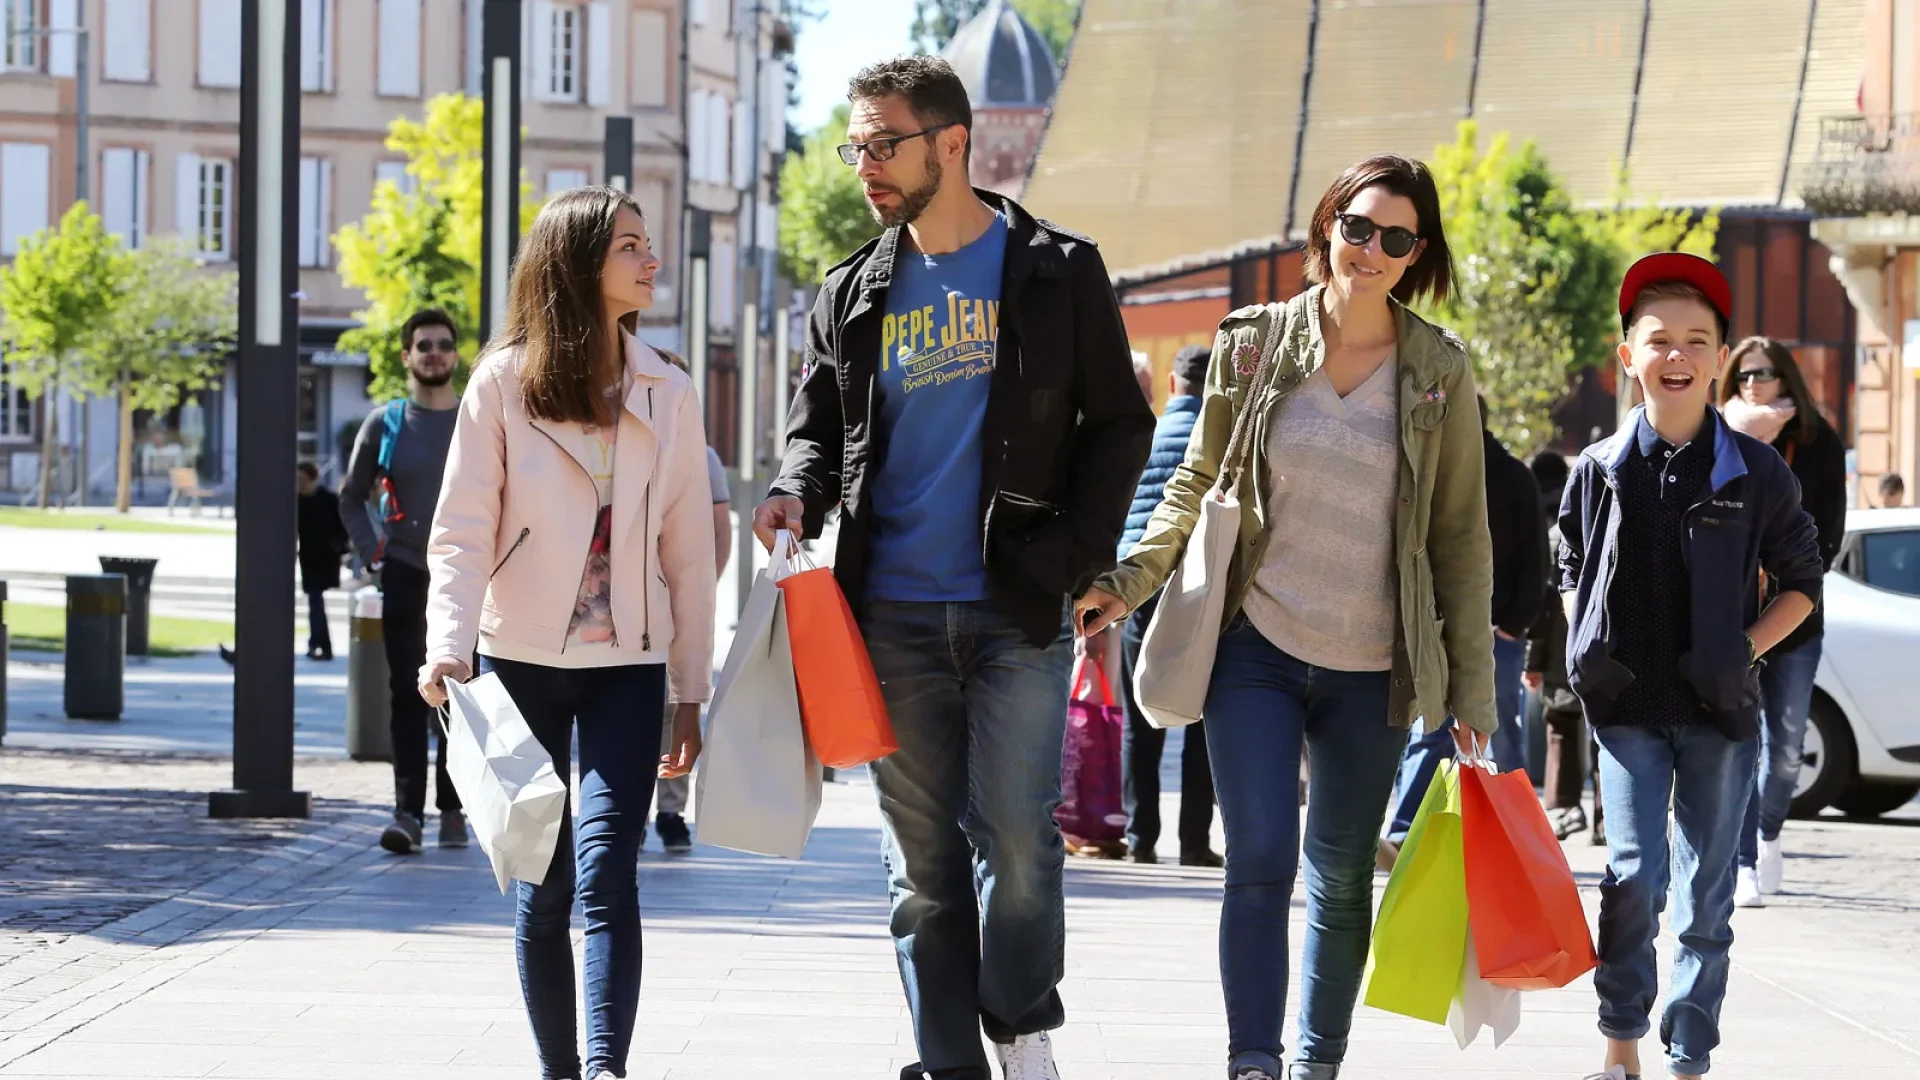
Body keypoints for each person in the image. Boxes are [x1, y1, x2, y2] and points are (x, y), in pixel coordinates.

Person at [753, 56, 1152, 1080]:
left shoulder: (1058, 270)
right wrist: (794, 490)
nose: (863, 165)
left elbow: (1119, 426)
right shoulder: (852, 290)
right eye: (856, 145)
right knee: (920, 871)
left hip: (1016, 609)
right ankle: (951, 1064)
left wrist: (1072, 560)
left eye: (883, 143)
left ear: (952, 143)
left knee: (1018, 843)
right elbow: (817, 429)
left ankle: (1018, 1018)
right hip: (888, 616)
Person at [1078, 154, 1496, 1080]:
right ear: (1327, 227)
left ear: (1416, 252)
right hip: (1255, 647)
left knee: (1342, 873)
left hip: (1372, 665)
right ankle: (1254, 1060)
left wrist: (1472, 687)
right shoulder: (1255, 344)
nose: (1372, 250)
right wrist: (1131, 577)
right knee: (1259, 853)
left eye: (1397, 237)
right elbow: (1198, 480)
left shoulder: (1438, 373)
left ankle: (1317, 1061)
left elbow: (1462, 540)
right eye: (1358, 227)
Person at [419, 186, 715, 1080]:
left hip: (629, 664)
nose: (649, 260)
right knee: (544, 888)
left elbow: (689, 550)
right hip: (518, 662)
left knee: (607, 871)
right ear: (579, 263)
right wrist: (448, 642)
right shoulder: (502, 382)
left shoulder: (668, 386)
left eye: (649, 243)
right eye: (630, 245)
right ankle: (560, 1069)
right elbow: (463, 527)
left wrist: (691, 689)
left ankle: (602, 1068)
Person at [1560, 254, 1821, 1080]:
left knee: (1708, 899)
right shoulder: (1596, 470)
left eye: (1696, 343)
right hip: (1627, 707)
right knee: (1633, 876)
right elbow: (1568, 562)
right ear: (1626, 355)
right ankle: (1621, 1045)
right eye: (1659, 341)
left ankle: (1687, 1056)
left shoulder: (1757, 471)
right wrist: (1584, 641)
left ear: (1717, 359)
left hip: (1718, 711)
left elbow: (1804, 584)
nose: (1677, 357)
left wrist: (1742, 649)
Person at [1380, 393, 1542, 857]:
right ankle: (1502, 835)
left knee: (1464, 730)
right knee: (1456, 729)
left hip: (1482, 628)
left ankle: (1421, 833)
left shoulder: (1506, 475)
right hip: (1464, 626)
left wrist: (1513, 624)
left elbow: (1535, 562)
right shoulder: (1441, 471)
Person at [1719, 336, 1847, 908]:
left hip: (1796, 618)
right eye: (1744, 375)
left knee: (1788, 748)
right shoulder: (1717, 437)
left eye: (1765, 373)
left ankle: (1769, 832)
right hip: (1736, 616)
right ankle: (1745, 860)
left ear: (1786, 378)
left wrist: (1787, 571)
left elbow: (1832, 534)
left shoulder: (1816, 444)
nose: (1753, 384)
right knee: (1742, 742)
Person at [340, 308, 466, 854]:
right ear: (407, 356)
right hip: (407, 573)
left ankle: (455, 809)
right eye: (424, 345)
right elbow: (351, 497)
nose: (434, 353)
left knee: (463, 696)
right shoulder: (386, 422)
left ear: (456, 354)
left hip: (468, 581)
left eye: (443, 344)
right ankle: (407, 812)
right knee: (407, 694)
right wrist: (373, 554)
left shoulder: (476, 420)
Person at [1117, 343, 1220, 868]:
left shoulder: (1147, 436)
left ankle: (1140, 837)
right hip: (1201, 593)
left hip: (1140, 589)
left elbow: (1121, 514)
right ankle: (1196, 843)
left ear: (1175, 385)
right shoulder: (1223, 442)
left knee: (1141, 720)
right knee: (1201, 719)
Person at [647, 348, 732, 857]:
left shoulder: (702, 457)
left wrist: (698, 591)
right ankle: (630, 811)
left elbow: (719, 531)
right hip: (626, 609)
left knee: (679, 702)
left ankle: (671, 811)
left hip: (678, 602)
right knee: (639, 709)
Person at [1524, 450, 1598, 841]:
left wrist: (1532, 661)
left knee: (1561, 728)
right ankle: (1607, 818)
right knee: (1609, 734)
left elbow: (1542, 607)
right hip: (1605, 650)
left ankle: (1564, 806)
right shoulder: (1606, 531)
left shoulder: (1554, 537)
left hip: (1560, 655)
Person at [296, 463, 350, 661]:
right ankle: (321, 645)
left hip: (327, 557)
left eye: (302, 480)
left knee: (315, 600)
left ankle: (318, 644)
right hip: (308, 557)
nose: (299, 485)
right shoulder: (297, 502)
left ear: (313, 480)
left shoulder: (329, 500)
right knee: (315, 601)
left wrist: (339, 547)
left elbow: (342, 527)